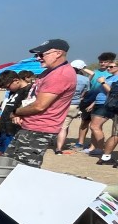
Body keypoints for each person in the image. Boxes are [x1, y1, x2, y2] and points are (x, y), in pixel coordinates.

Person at [5, 39, 78, 169]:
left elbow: (39, 105)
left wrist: (16, 112)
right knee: (9, 163)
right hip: (29, 126)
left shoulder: (60, 75)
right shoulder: (49, 71)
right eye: (36, 55)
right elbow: (33, 98)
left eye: (41, 54)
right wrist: (21, 113)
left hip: (39, 129)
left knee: (23, 169)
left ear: (58, 53)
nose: (38, 58)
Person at [0, 70, 31, 156]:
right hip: (3, 128)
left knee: (7, 155)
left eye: (8, 87)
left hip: (14, 131)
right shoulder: (13, 91)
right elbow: (9, 108)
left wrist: (19, 116)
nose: (7, 90)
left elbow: (30, 108)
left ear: (16, 80)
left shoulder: (29, 91)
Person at [83, 51, 117, 155]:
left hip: (106, 104)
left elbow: (112, 92)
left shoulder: (115, 78)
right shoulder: (109, 77)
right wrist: (93, 103)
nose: (108, 68)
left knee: (95, 126)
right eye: (108, 66)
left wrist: (103, 82)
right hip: (98, 102)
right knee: (94, 126)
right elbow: (101, 92)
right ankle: (95, 147)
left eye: (111, 66)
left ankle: (100, 148)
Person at [56, 59, 90, 153]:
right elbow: (85, 92)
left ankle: (55, 142)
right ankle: (59, 148)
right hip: (74, 104)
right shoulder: (85, 79)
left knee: (58, 124)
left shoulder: (63, 76)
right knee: (64, 126)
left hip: (61, 103)